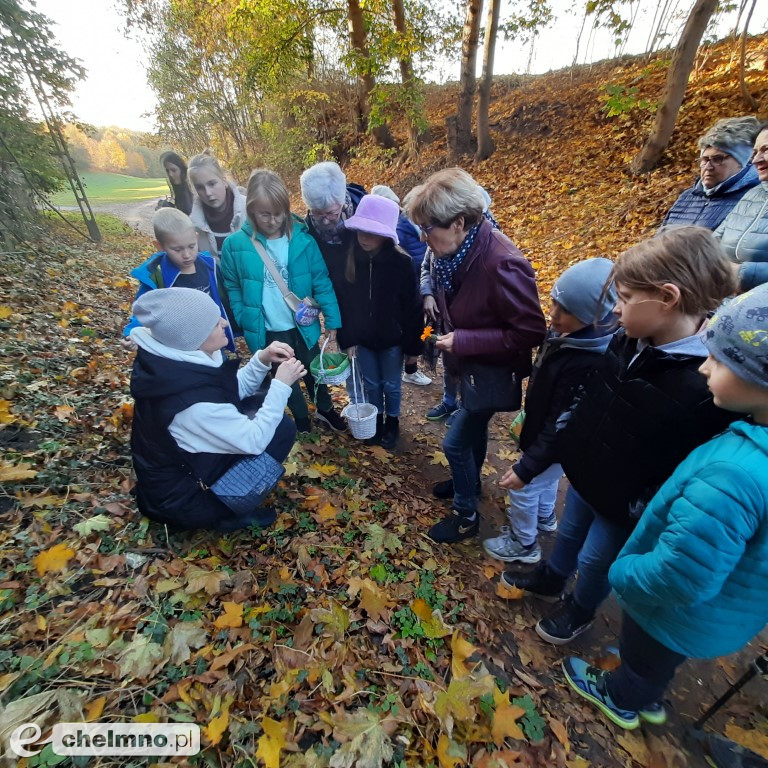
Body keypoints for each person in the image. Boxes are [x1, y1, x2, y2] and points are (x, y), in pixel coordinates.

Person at [501, 227, 735, 646]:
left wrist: (641, 503)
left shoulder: (707, 382)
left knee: (595, 560)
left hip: (625, 501)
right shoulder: (627, 341)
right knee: (570, 534)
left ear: (667, 298)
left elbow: (691, 463)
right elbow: (589, 402)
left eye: (625, 299)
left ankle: (581, 608)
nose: (616, 309)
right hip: (588, 474)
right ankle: (553, 576)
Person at [562, 282, 768, 731]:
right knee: (656, 660)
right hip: (720, 614)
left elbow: (681, 575)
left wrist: (622, 573)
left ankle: (624, 697)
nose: (704, 368)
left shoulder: (735, 474)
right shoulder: (752, 444)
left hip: (673, 611)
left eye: (719, 359)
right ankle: (645, 682)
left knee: (645, 657)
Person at [403, 168, 547, 543]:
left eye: (427, 228)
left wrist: (464, 340)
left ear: (460, 223)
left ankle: (466, 515)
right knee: (473, 432)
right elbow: (437, 277)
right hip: (466, 367)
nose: (422, 237)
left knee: (453, 443)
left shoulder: (502, 262)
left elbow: (531, 331)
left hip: (489, 370)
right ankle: (468, 481)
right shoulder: (450, 252)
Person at [129, 288, 304, 531]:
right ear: (192, 337)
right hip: (185, 499)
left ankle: (224, 495)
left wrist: (262, 360)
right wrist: (282, 385)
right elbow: (254, 440)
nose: (224, 322)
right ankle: (225, 512)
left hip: (181, 472)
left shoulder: (177, 362)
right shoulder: (190, 405)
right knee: (278, 432)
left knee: (263, 407)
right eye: (213, 324)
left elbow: (225, 392)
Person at [484, 258, 617, 564]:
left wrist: (526, 468)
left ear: (592, 316)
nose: (553, 315)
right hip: (548, 434)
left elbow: (563, 424)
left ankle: (524, 544)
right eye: (554, 303)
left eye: (566, 311)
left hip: (556, 440)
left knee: (524, 488)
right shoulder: (564, 334)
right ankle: (545, 517)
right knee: (547, 481)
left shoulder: (589, 361)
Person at [220, 169, 346, 435]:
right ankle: (301, 419)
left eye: (278, 213)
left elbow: (321, 281)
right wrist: (243, 316)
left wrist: (333, 320)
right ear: (251, 210)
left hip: (303, 325)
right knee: (284, 378)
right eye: (265, 214)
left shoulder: (302, 240)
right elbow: (232, 285)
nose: (273, 220)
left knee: (314, 371)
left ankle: (324, 408)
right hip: (268, 330)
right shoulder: (236, 245)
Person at [337, 194, 424, 448]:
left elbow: (413, 308)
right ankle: (375, 420)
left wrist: (413, 348)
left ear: (385, 234)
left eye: (371, 232)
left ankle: (392, 421)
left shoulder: (402, 263)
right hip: (362, 340)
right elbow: (346, 304)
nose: (364, 237)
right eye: (361, 231)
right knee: (371, 383)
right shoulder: (351, 259)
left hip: (392, 340)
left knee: (392, 384)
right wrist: (348, 338)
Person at [421, 187, 501, 424]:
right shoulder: (439, 242)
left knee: (468, 366)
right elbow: (426, 268)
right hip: (444, 314)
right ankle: (449, 401)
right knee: (449, 360)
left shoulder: (489, 249)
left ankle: (465, 408)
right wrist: (428, 294)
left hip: (470, 324)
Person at [123, 207, 235, 352]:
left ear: (196, 237)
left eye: (191, 246)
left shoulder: (208, 266)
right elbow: (144, 308)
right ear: (160, 246)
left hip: (211, 339)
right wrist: (132, 333)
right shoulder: (158, 276)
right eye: (177, 249)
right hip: (180, 345)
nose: (187, 255)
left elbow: (223, 297)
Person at [370, 184, 432, 387]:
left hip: (421, 281)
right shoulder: (395, 228)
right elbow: (400, 253)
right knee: (414, 324)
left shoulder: (407, 219)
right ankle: (411, 367)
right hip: (411, 282)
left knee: (424, 326)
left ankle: (419, 357)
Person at [660, 116, 760, 231]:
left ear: (742, 162)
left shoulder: (753, 200)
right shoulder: (687, 197)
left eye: (718, 159)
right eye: (704, 159)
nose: (708, 167)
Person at [715, 122, 768, 291]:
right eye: (754, 153)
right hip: (723, 295)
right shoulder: (753, 194)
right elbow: (714, 240)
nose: (756, 160)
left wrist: (740, 273)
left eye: (765, 149)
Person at [300, 161, 366, 272]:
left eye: (331, 213)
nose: (325, 221)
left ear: (342, 202)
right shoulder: (306, 235)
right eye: (317, 213)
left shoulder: (365, 211)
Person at [188, 154, 247, 261]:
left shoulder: (249, 209)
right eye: (200, 187)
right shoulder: (194, 224)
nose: (208, 193)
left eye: (212, 184)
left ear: (224, 181)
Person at [160, 151, 193, 215]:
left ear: (182, 169)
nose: (170, 174)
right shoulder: (178, 189)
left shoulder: (192, 188)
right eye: (167, 171)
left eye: (173, 170)